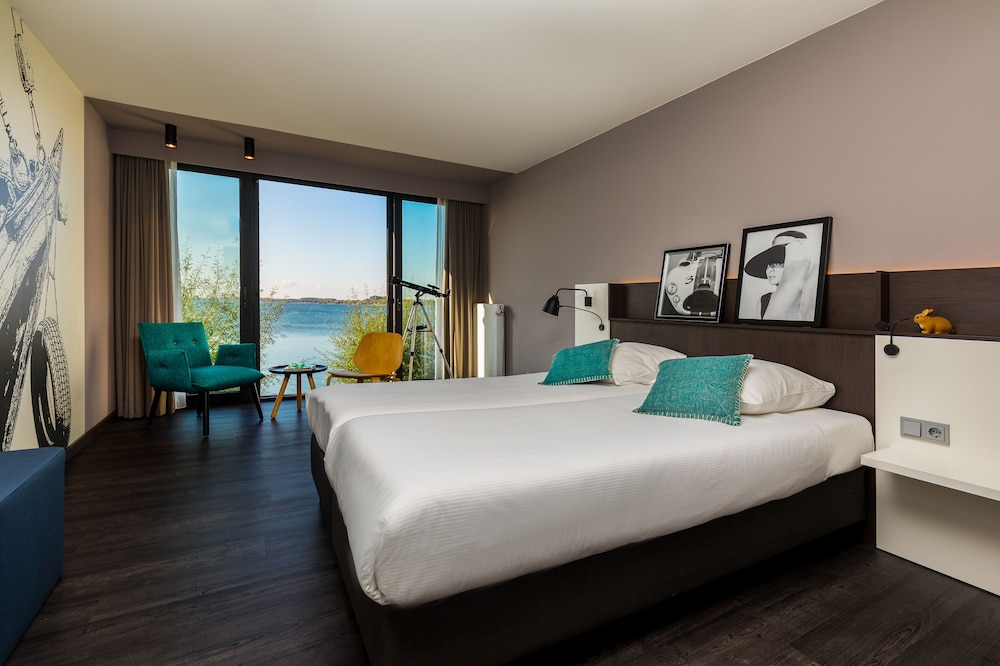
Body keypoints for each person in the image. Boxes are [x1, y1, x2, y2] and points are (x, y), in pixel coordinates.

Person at [743, 230, 816, 321]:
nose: (770, 270)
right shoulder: (764, 301)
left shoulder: (810, 299)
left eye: (777, 264)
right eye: (768, 265)